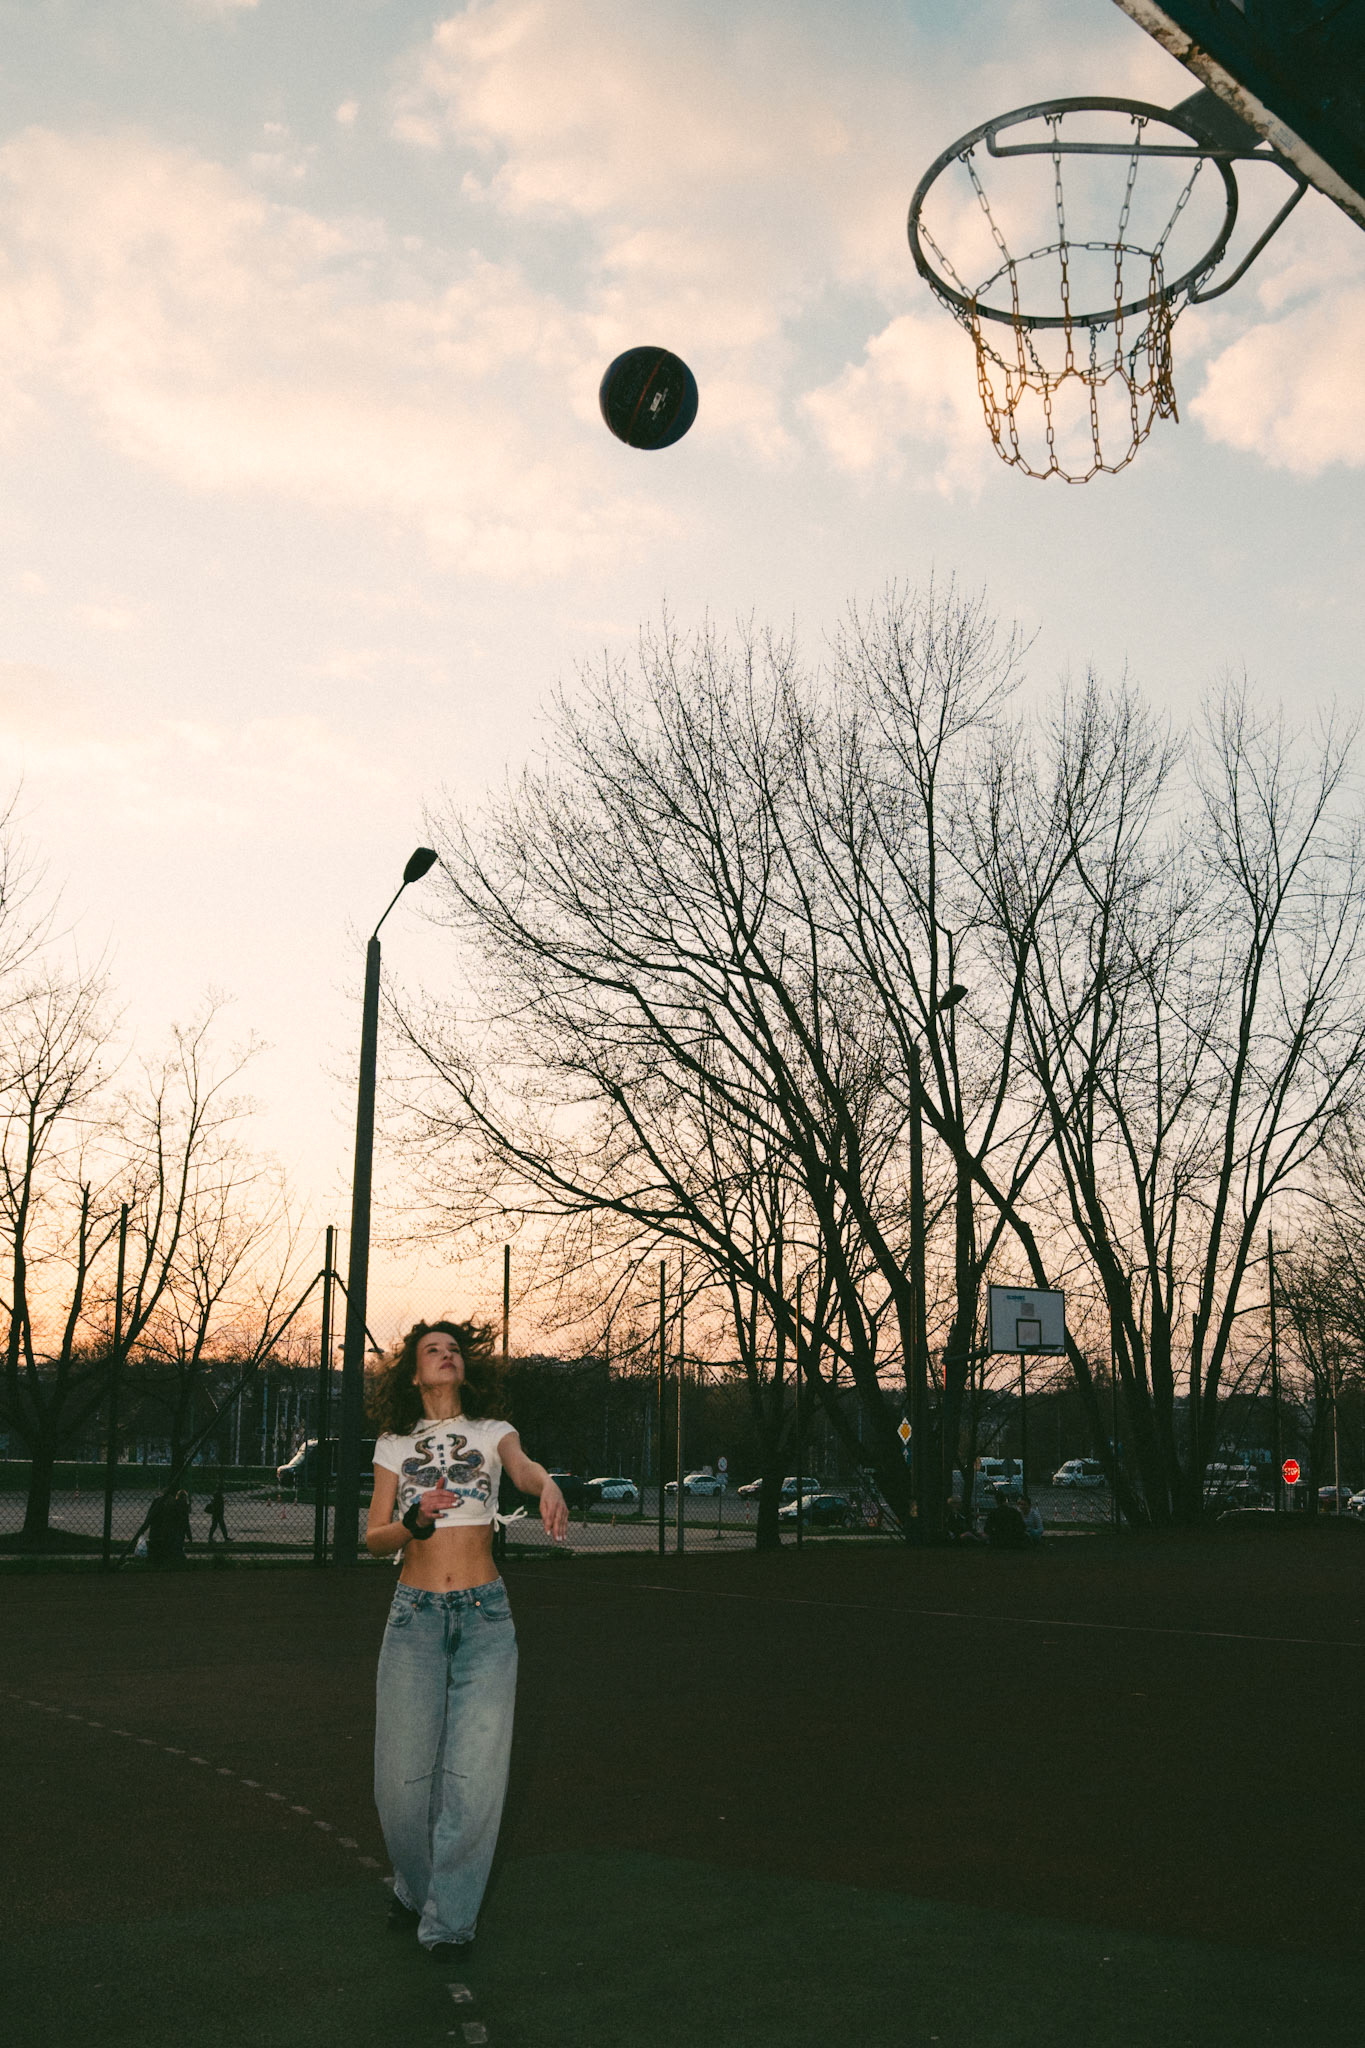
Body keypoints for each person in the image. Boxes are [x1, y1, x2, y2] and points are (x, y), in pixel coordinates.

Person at [365, 1318, 567, 1965]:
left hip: (485, 1619)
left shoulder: (491, 1431)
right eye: (433, 1350)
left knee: (474, 1781)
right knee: (399, 1786)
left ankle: (450, 1921)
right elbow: (374, 1537)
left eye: (454, 1349)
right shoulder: (395, 1444)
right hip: (414, 1618)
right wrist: (413, 1522)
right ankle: (416, 1885)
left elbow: (523, 1467)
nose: (446, 1355)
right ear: (413, 1373)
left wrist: (547, 1484)